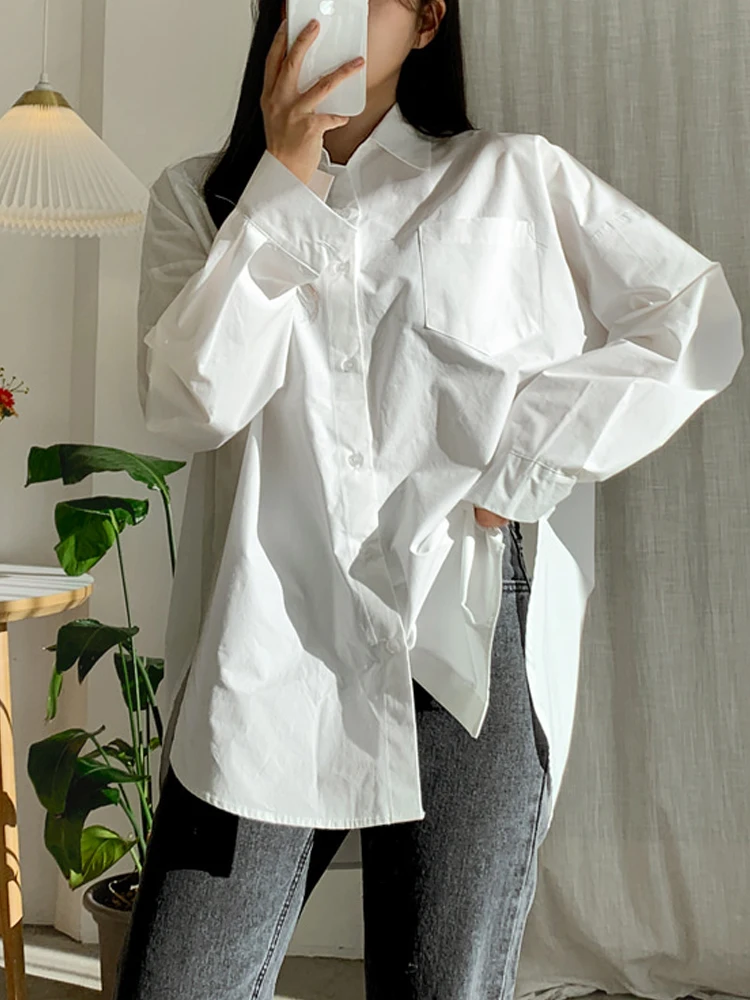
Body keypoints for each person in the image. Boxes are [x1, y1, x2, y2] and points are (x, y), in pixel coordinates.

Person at [118, 0, 743, 996]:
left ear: (427, 22)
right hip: (270, 638)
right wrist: (284, 181)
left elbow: (693, 317)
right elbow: (192, 405)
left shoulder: (512, 178)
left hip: (462, 628)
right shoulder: (199, 199)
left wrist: (523, 463)